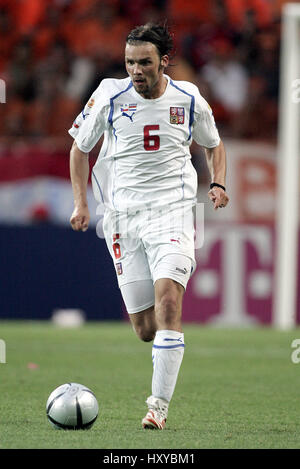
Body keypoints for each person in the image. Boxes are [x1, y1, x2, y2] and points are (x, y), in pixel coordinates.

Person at [68, 23, 229, 430]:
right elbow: (79, 150)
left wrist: (218, 182)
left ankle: (157, 407)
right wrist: (81, 204)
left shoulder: (189, 98)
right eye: (129, 62)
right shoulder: (109, 94)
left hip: (173, 213)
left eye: (144, 62)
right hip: (122, 219)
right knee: (144, 327)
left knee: (169, 303)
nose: (135, 70)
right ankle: (163, 346)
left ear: (164, 62)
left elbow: (214, 144)